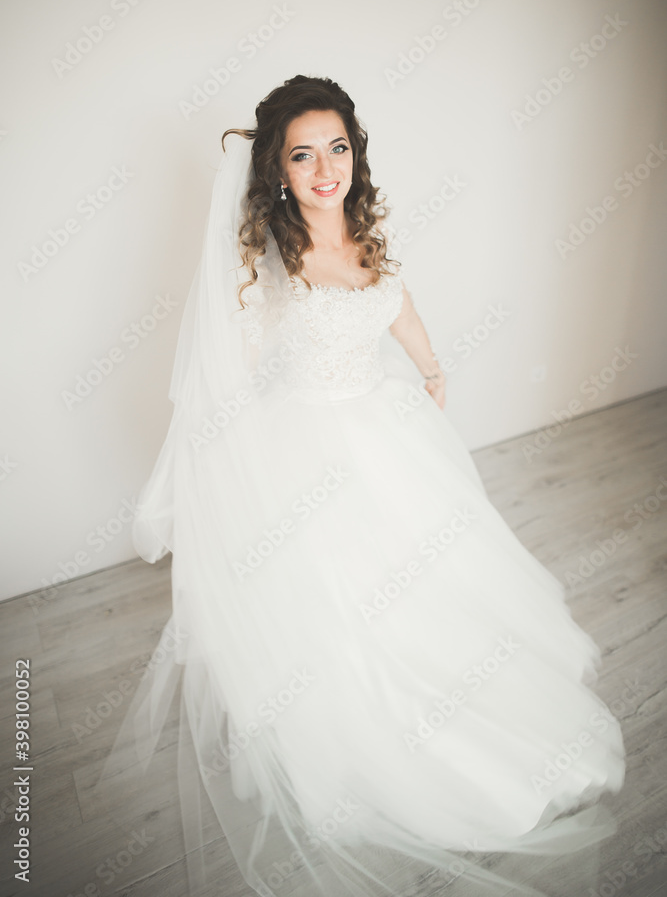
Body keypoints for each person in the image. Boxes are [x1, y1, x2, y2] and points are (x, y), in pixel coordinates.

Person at [97, 75, 625, 897]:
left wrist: (430, 363)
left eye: (336, 148)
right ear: (277, 170)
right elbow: (223, 377)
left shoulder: (366, 233)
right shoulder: (268, 259)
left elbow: (397, 300)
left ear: (355, 154)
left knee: (431, 574)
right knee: (341, 601)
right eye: (302, 155)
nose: (323, 169)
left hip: (385, 427)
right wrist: (234, 468)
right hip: (305, 445)